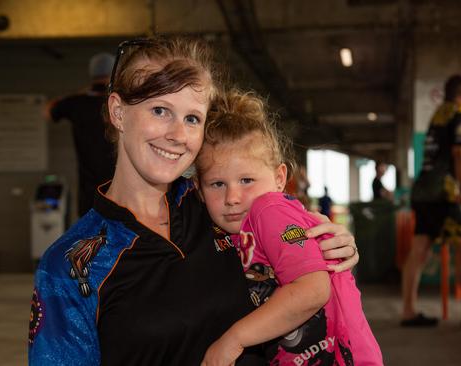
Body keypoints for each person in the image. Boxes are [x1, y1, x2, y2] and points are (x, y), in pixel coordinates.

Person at [29, 36, 359, 366]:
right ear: (117, 112)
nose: (178, 135)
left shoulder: (220, 205)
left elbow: (295, 251)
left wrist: (328, 242)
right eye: (160, 110)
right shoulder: (73, 265)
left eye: (192, 118)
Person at [197, 89, 382, 365]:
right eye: (217, 184)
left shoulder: (268, 210)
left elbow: (313, 290)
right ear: (198, 190)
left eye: (247, 180)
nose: (232, 197)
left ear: (279, 178)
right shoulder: (239, 230)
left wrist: (233, 339)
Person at [401, 75, 461, 328]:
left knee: (419, 249)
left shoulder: (439, 113)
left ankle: (408, 311)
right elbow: (460, 152)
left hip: (422, 190)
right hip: (443, 192)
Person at [46, 52, 116, 216]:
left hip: (88, 196)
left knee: (89, 239)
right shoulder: (122, 104)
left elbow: (48, 110)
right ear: (115, 74)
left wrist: (81, 92)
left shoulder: (77, 103)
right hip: (120, 194)